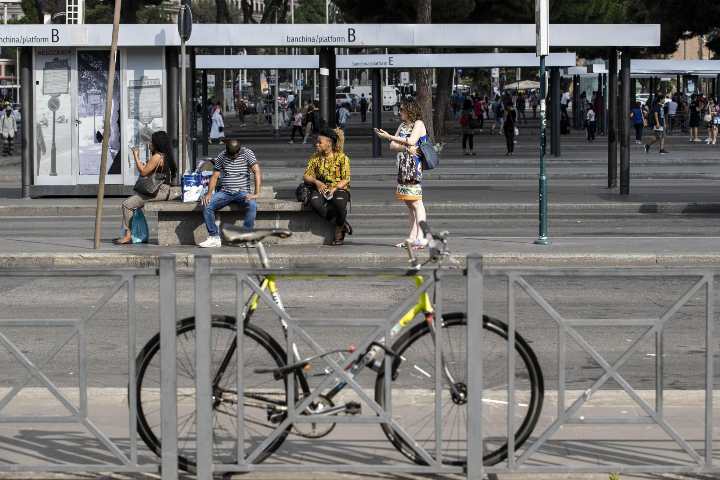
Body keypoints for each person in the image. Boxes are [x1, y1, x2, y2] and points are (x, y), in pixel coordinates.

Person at [374, 99, 429, 250]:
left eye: (403, 109)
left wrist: (391, 137)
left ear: (410, 111)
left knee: (416, 201)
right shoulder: (402, 125)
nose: (400, 112)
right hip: (402, 166)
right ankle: (412, 238)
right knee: (409, 202)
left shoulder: (418, 124)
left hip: (413, 166)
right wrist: (404, 147)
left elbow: (411, 140)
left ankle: (422, 237)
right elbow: (393, 147)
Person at [115, 131, 177, 245]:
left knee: (127, 204)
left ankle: (128, 235)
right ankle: (135, 233)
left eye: (152, 141)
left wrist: (136, 156)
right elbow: (149, 170)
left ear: (157, 143)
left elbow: (143, 172)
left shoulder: (157, 156)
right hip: (164, 190)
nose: (150, 143)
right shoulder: (166, 155)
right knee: (133, 204)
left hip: (158, 191)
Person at [199, 139, 262, 248]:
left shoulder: (248, 153)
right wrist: (209, 194)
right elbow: (214, 176)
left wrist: (256, 194)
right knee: (207, 204)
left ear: (239, 150)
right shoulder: (221, 156)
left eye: (235, 154)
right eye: (231, 155)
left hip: (242, 192)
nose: (233, 157)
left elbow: (257, 172)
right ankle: (214, 237)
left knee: (252, 205)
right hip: (225, 192)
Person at [303, 128, 352, 245]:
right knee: (315, 203)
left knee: (339, 204)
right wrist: (316, 182)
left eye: (320, 142)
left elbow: (346, 179)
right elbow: (306, 176)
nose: (317, 144)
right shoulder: (315, 157)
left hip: (338, 188)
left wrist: (334, 189)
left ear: (329, 143)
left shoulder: (342, 158)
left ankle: (339, 230)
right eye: (317, 142)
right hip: (321, 188)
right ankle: (341, 224)